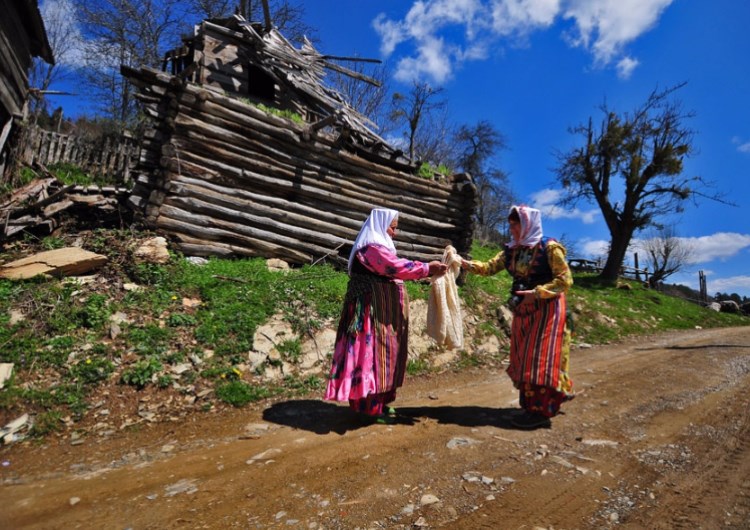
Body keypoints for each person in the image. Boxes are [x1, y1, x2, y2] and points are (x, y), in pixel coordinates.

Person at [324, 208, 447, 424]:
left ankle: (379, 404)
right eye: (393, 227)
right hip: (369, 316)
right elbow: (393, 267)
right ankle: (369, 407)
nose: (395, 233)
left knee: (383, 355)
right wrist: (427, 268)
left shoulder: (379, 247)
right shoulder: (371, 249)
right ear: (381, 225)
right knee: (369, 356)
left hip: (381, 314)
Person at [461, 205, 574, 429]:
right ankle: (533, 406)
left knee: (538, 358)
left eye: (515, 224)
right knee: (523, 357)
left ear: (527, 224)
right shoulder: (512, 250)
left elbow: (565, 280)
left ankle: (539, 412)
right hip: (524, 310)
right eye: (510, 224)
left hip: (547, 310)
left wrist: (537, 293)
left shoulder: (549, 248)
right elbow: (489, 267)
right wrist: (464, 264)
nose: (511, 228)